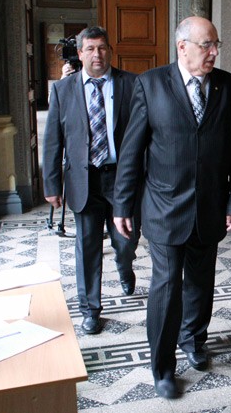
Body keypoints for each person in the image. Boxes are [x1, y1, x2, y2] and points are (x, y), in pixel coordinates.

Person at [112, 16, 231, 400]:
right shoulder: (151, 84)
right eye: (206, 45)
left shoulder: (230, 88)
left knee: (201, 282)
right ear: (182, 46)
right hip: (163, 206)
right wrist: (123, 203)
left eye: (216, 44)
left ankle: (195, 339)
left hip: (210, 207)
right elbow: (132, 151)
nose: (214, 52)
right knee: (168, 284)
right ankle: (163, 367)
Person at [43, 26, 140, 335]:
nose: (97, 54)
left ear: (109, 50)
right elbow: (52, 141)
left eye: (102, 48)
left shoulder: (131, 84)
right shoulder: (63, 90)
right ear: (80, 53)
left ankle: (126, 268)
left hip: (121, 179)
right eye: (90, 49)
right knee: (87, 247)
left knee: (125, 241)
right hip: (83, 180)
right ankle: (90, 309)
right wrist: (51, 184)